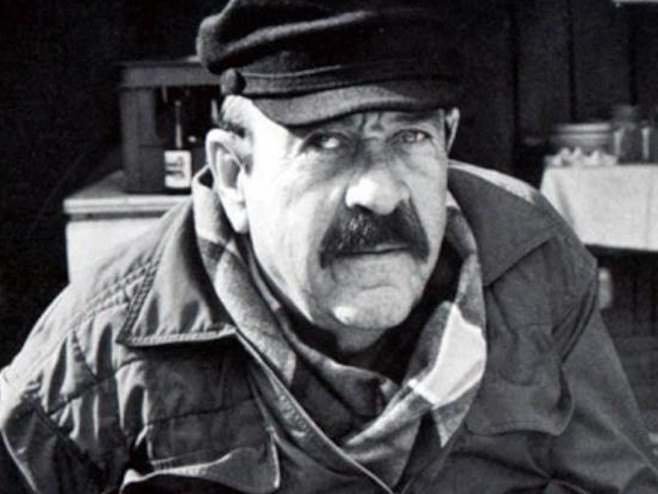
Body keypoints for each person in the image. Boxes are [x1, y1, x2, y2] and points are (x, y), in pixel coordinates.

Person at [2, 1, 658, 492]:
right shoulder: (96, 348)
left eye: (411, 138)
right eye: (326, 142)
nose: (380, 193)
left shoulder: (531, 255)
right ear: (233, 175)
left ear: (448, 139)